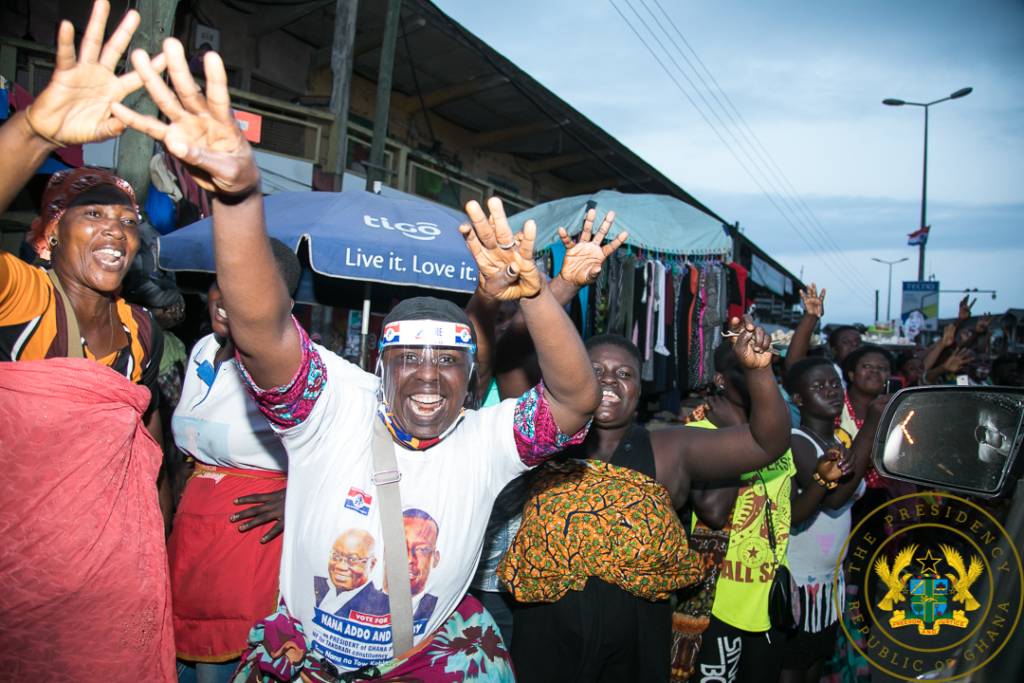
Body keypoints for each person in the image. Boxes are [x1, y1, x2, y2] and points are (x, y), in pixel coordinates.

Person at [115, 37, 601, 681]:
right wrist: (237, 196)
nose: (427, 373)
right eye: (409, 357)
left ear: (470, 381)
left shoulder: (486, 441)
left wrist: (535, 294)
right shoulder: (331, 408)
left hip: (422, 665)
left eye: (447, 361)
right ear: (379, 369)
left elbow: (575, 400)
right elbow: (260, 329)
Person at [0, 2, 175, 679]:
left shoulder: (140, 331)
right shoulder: (23, 295)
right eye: (93, 214)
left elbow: (145, 449)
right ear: (48, 236)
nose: (115, 231)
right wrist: (34, 130)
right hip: (17, 589)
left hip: (108, 597)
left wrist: (154, 549)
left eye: (128, 220)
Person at [500, 320, 793, 683]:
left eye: (624, 373)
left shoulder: (669, 450)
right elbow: (509, 362)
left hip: (634, 651)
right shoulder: (543, 441)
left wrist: (759, 371)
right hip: (546, 644)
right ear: (572, 375)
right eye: (595, 370)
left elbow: (767, 444)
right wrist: (540, 297)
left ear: (639, 390)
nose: (609, 379)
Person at [169, 239, 307, 683]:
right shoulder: (203, 350)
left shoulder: (294, 367)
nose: (228, 295)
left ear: (284, 305)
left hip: (248, 538)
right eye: (223, 280)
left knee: (223, 669)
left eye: (250, 285)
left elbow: (359, 440)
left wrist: (299, 497)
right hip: (193, 536)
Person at [779, 358, 878, 683]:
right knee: (793, 668)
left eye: (835, 384)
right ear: (798, 399)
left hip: (826, 584)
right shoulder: (797, 440)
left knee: (815, 665)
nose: (831, 391)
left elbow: (844, 511)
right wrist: (872, 426)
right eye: (819, 386)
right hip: (798, 584)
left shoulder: (837, 443)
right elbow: (833, 499)